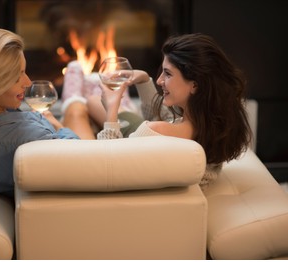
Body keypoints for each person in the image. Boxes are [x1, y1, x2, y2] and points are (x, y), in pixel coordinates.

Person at [81, 33, 252, 187]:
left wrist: (112, 110)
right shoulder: (213, 127)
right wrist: (143, 80)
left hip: (124, 142)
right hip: (139, 143)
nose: (159, 80)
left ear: (194, 85)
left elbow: (108, 165)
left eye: (168, 74)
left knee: (77, 111)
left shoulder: (155, 130)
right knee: (93, 101)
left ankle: (73, 98)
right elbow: (164, 117)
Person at [0, 28, 95, 196]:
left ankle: (86, 95)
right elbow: (83, 158)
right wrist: (57, 125)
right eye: (18, 76)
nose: (28, 82)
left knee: (88, 106)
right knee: (78, 113)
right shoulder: (29, 137)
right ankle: (80, 96)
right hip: (81, 153)